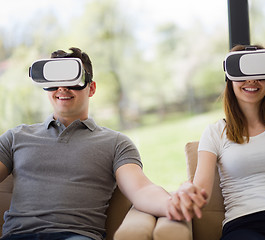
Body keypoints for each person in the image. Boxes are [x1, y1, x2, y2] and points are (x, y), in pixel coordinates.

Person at [0, 47, 184, 240]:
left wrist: (172, 203)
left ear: (92, 88)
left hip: (75, 236)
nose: (62, 88)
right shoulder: (15, 137)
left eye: (72, 80)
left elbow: (141, 189)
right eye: (55, 81)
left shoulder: (116, 144)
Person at [169, 44, 265, 239]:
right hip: (245, 225)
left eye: (260, 73)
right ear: (229, 78)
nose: (252, 80)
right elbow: (200, 189)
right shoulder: (215, 132)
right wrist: (186, 191)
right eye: (244, 73)